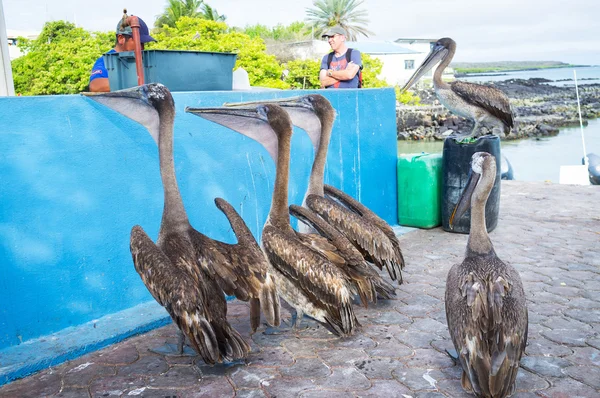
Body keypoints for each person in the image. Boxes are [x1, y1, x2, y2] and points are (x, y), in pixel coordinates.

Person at [89, 16, 156, 92]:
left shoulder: (144, 59)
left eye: (143, 43)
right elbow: (95, 86)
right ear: (121, 38)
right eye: (139, 43)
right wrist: (135, 83)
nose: (142, 48)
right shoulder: (105, 61)